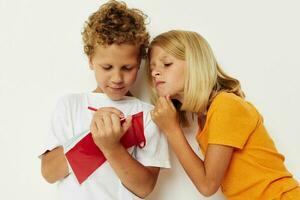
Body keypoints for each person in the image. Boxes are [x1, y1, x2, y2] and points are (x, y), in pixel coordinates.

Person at [147, 30, 300, 199]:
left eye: (166, 64)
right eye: (151, 68)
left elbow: (207, 185)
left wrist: (172, 129)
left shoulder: (226, 105)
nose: (154, 73)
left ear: (196, 65)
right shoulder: (204, 117)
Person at [39, 1, 170, 200]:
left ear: (139, 63)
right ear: (91, 60)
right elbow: (49, 173)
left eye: (127, 68)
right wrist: (94, 137)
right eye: (107, 67)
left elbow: (144, 188)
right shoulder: (69, 105)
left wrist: (111, 146)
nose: (117, 78)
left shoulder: (148, 115)